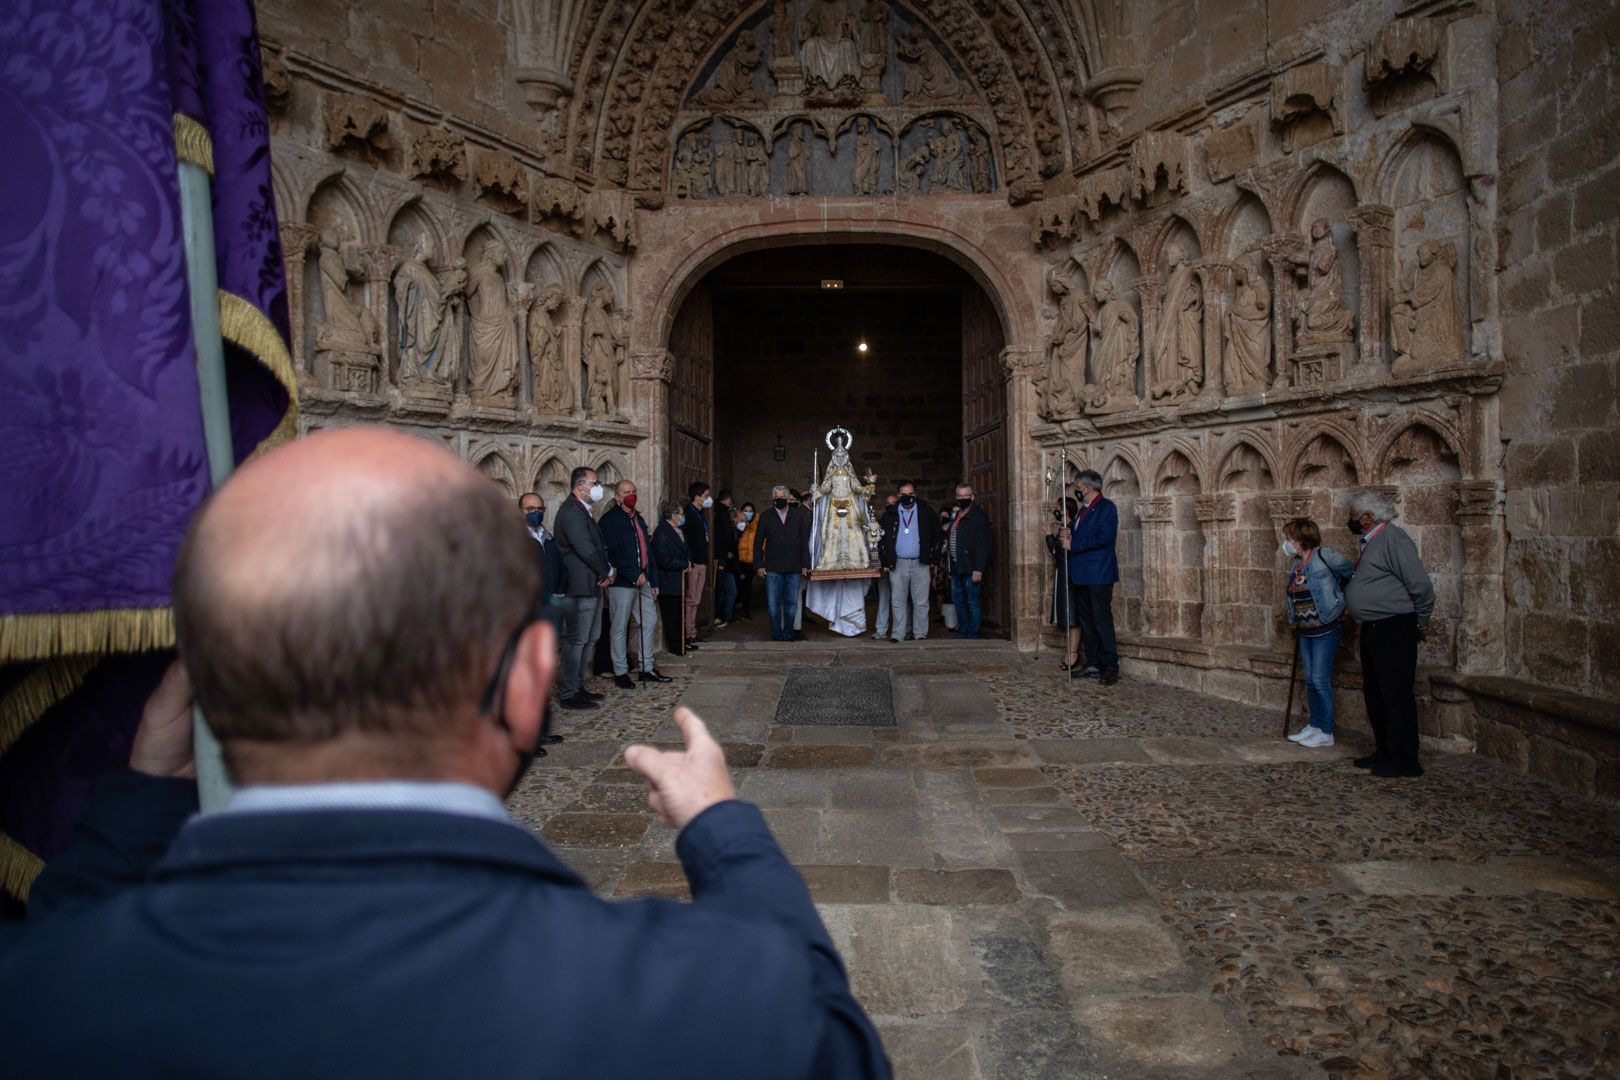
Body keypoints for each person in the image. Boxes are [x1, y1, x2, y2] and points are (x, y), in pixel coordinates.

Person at [0, 428, 890, 1078]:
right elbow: (829, 1037)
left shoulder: (42, 1001)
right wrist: (725, 834)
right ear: (531, 678)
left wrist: (135, 810)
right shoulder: (696, 1007)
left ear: (197, 690)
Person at [1343, 489, 1435, 778]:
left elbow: (1420, 585)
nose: (1351, 521)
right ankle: (1385, 749)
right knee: (1376, 692)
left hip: (1395, 626)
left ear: (1367, 517)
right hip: (1375, 628)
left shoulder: (1394, 540)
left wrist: (1420, 623)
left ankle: (1406, 758)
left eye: (1353, 516)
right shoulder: (1372, 542)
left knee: (1395, 693)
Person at [1280, 517, 1355, 749]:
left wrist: (1340, 602)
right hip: (1305, 630)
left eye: (1290, 538)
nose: (1287, 542)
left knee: (1320, 680)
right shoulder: (1296, 564)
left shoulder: (1325, 556)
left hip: (1325, 628)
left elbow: (1351, 573)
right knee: (1311, 679)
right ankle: (1314, 725)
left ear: (1301, 539)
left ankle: (1326, 730)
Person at [600, 480, 672, 688]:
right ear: (617, 497)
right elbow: (612, 553)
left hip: (645, 580)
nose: (631, 495)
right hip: (622, 583)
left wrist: (654, 579)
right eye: (626, 492)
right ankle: (620, 671)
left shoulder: (638, 518)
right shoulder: (609, 521)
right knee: (619, 627)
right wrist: (633, 574)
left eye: (634, 491)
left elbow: (647, 551)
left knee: (649, 622)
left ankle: (646, 667)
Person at [555, 466, 611, 710]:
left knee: (590, 638)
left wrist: (603, 571)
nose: (598, 487)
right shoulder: (571, 512)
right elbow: (585, 548)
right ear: (579, 486)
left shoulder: (583, 510)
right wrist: (605, 571)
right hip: (580, 585)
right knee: (577, 640)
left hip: (592, 584)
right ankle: (569, 693)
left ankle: (578, 686)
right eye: (594, 483)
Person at [1060, 469, 1120, 685]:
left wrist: (1073, 544)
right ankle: (1092, 662)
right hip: (1081, 574)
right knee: (1087, 621)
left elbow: (1103, 538)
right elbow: (1081, 534)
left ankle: (1110, 665)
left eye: (1078, 487)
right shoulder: (1083, 510)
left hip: (1098, 573)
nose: (1077, 491)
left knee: (1101, 619)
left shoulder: (1106, 508)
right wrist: (1069, 533)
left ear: (1087, 487)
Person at [878, 483, 940, 643]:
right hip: (898, 563)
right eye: (904, 494)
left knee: (921, 601)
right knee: (898, 600)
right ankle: (898, 634)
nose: (908, 497)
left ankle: (920, 634)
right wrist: (886, 560)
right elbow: (881, 539)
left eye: (911, 493)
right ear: (898, 495)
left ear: (916, 494)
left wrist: (934, 557)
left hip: (921, 563)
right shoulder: (890, 514)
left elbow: (937, 534)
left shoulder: (926, 512)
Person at [754, 484, 812, 642]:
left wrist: (805, 564)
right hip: (772, 567)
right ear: (773, 498)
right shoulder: (766, 516)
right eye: (776, 497)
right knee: (773, 605)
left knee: (791, 604)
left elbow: (803, 541)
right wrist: (759, 565)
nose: (779, 500)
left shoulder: (797, 515)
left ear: (788, 498)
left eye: (782, 497)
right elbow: (758, 542)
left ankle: (788, 633)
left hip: (794, 567)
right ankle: (776, 634)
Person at [946, 483, 991, 639]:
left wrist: (979, 569)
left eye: (966, 496)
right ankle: (963, 629)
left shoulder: (979, 516)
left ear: (973, 497)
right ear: (956, 497)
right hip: (956, 566)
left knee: (972, 601)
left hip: (971, 567)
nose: (963, 498)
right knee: (958, 600)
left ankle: (973, 632)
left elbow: (983, 544)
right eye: (960, 496)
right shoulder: (957, 514)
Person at [652, 500, 696, 656]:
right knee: (672, 615)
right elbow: (663, 559)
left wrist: (688, 561)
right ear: (673, 515)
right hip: (669, 580)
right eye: (681, 514)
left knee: (680, 612)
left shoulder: (678, 530)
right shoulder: (662, 533)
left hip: (679, 579)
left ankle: (683, 642)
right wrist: (684, 563)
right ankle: (676, 645)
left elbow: (687, 549)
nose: (683, 517)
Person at [1045, 495, 1082, 669]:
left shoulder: (1073, 527)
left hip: (1071, 574)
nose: (1056, 512)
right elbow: (1056, 552)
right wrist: (1049, 535)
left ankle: (1073, 653)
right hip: (1062, 573)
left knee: (1072, 613)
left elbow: (1070, 550)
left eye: (1059, 508)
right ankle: (1070, 650)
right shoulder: (1062, 528)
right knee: (1065, 613)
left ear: (1065, 510)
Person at [681, 481, 714, 648]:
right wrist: (689, 559)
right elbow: (684, 538)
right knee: (691, 599)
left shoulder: (701, 513)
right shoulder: (687, 513)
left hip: (702, 561)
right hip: (693, 563)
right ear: (697, 496)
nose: (709, 499)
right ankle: (687, 633)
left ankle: (692, 631)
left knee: (697, 599)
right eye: (706, 496)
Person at [520, 491, 564, 604]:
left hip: (553, 600)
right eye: (530, 509)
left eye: (540, 509)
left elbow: (561, 566)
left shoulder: (549, 538)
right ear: (520, 511)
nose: (536, 512)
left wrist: (560, 591)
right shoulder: (515, 539)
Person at [871, 493, 898, 640]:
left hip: (898, 565)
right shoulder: (882, 522)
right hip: (884, 565)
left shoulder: (902, 521)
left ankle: (901, 630)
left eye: (893, 503)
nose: (890, 506)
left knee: (900, 600)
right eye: (888, 504)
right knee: (884, 598)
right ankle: (881, 630)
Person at [714, 490, 739, 627]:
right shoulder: (722, 513)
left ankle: (723, 615)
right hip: (722, 557)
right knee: (726, 589)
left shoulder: (715, 511)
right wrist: (730, 550)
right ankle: (722, 615)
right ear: (729, 501)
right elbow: (727, 534)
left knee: (724, 588)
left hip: (720, 557)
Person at [736, 501, 759, 620]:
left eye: (751, 511)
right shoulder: (738, 520)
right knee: (737, 585)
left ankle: (745, 609)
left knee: (747, 586)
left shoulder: (758, 523)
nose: (748, 513)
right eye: (746, 511)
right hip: (737, 559)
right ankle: (736, 607)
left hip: (751, 560)